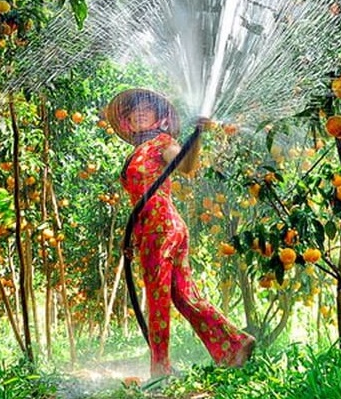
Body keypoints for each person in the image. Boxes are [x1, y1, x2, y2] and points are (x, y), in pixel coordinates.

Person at [106, 88, 254, 376]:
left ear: (159, 117)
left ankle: (160, 369)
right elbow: (138, 201)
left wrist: (196, 136)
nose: (138, 112)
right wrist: (133, 240)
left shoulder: (162, 143)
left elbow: (186, 165)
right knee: (185, 297)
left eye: (146, 108)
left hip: (161, 228)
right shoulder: (138, 150)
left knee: (158, 298)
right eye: (133, 110)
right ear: (126, 121)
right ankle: (235, 343)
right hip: (154, 228)